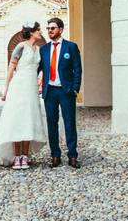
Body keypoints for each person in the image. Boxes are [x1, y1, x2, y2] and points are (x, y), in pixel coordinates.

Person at [0, 21, 48, 169]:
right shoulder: (21, 47)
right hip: (19, 86)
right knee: (17, 119)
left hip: (32, 88)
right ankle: (16, 156)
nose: (40, 32)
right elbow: (11, 67)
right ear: (31, 32)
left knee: (29, 119)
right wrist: (6, 89)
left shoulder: (39, 49)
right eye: (38, 30)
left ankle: (25, 155)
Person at [39, 16, 82, 168]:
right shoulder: (43, 49)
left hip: (66, 91)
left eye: (52, 28)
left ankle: (72, 156)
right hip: (49, 92)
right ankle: (55, 155)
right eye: (48, 28)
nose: (49, 31)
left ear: (61, 29)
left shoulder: (71, 47)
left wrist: (75, 88)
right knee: (52, 124)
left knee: (70, 123)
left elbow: (77, 69)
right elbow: (36, 70)